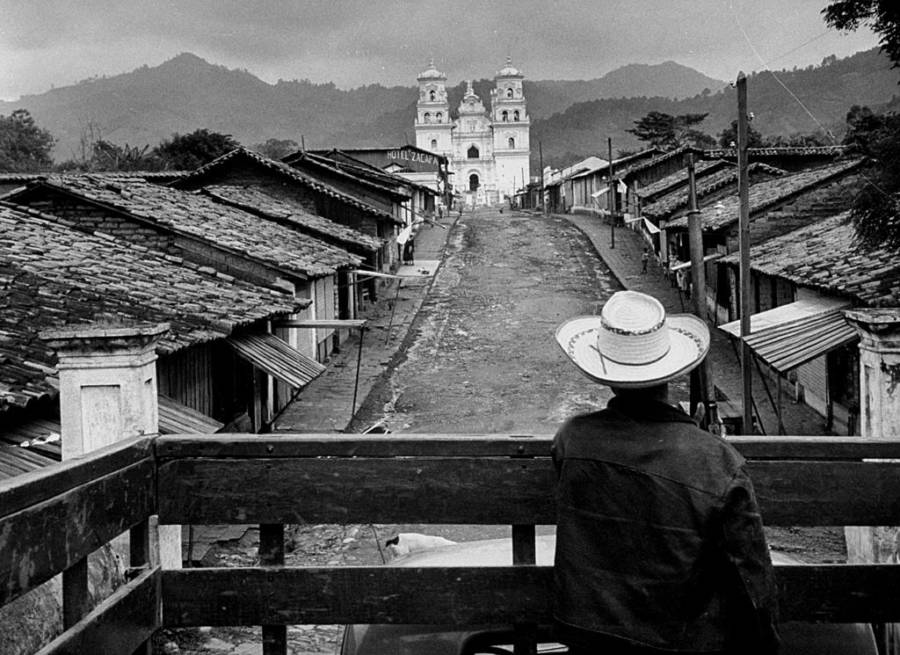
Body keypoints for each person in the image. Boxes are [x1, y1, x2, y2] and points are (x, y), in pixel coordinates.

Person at [552, 290, 779, 654]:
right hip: (676, 641)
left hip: (587, 637)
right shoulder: (716, 461)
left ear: (608, 377)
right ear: (670, 373)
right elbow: (752, 582)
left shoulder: (571, 439)